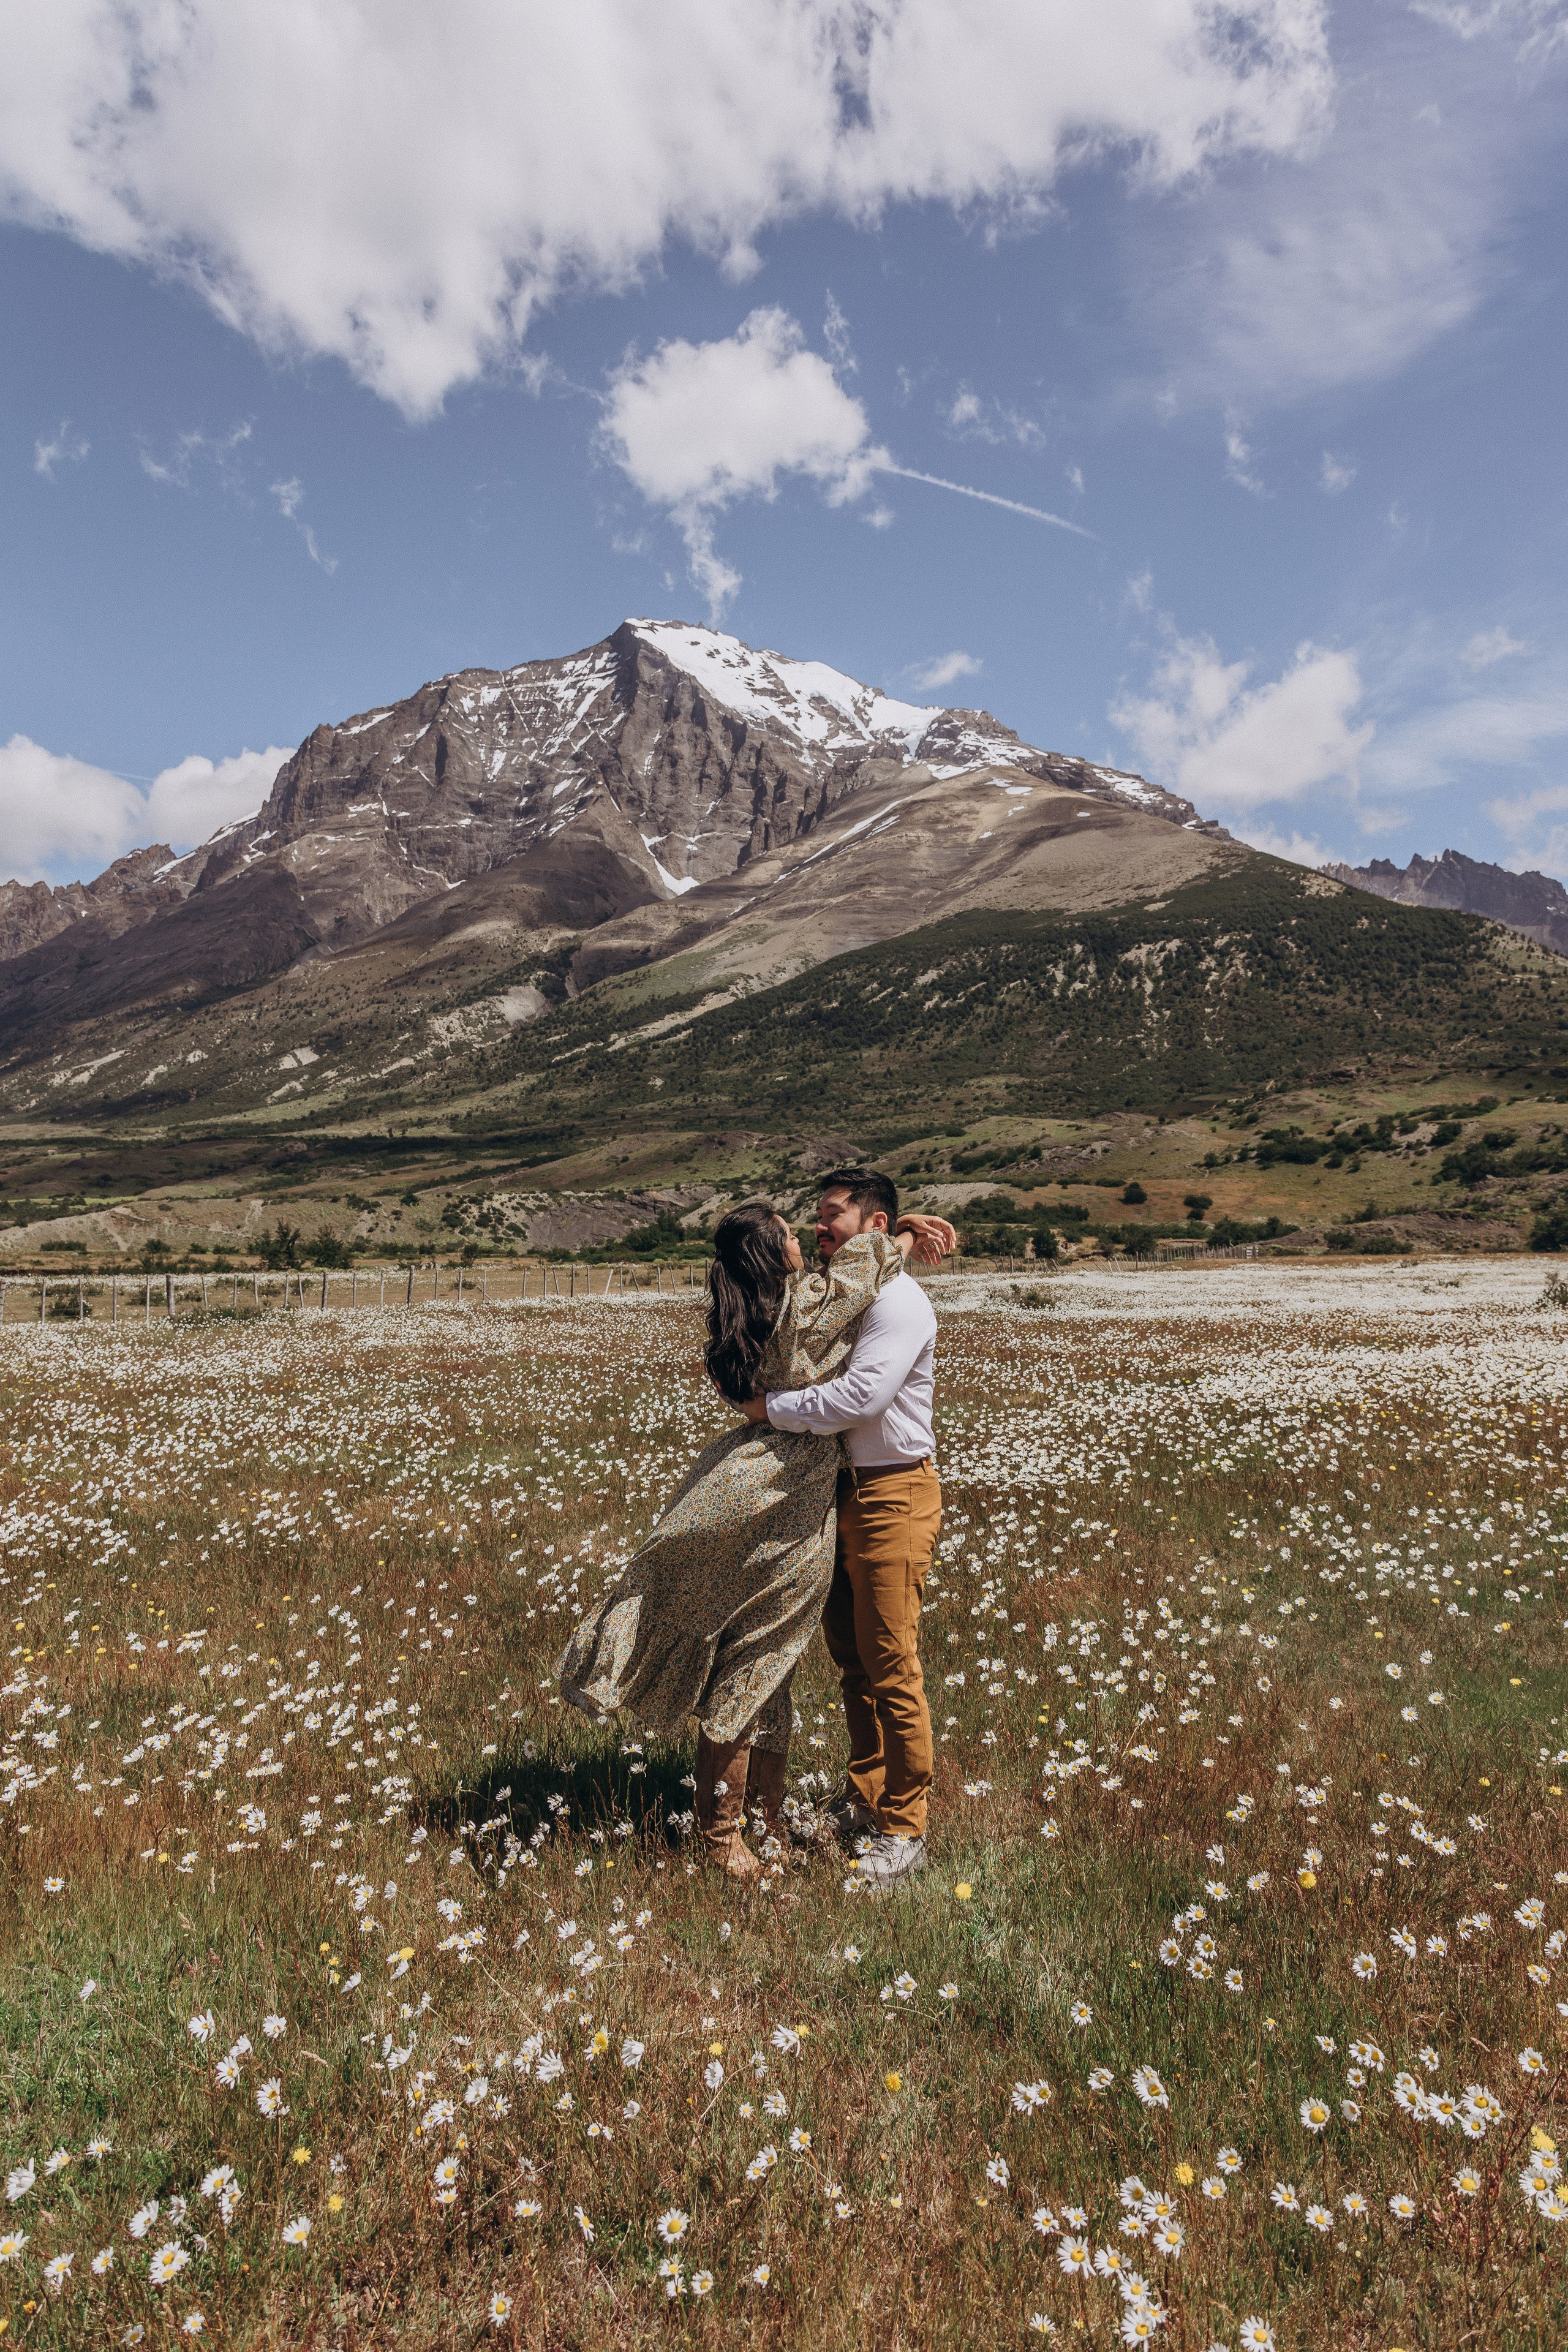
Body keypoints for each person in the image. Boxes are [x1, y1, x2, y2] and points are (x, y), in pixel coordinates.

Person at [556, 1197, 953, 1879]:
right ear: (776, 1257)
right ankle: (728, 1835)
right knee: (764, 1657)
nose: (809, 1236)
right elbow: (859, 1278)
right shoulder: (804, 1308)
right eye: (794, 1233)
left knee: (760, 1652)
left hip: (739, 1478)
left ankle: (755, 1820)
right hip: (789, 1494)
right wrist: (907, 1234)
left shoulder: (743, 1315)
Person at [738, 1169, 943, 1889]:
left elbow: (862, 1396)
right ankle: (864, 1796)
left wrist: (770, 1410)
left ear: (874, 1226)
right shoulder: (847, 1295)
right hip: (838, 1493)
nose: (818, 1226)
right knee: (852, 1660)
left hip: (893, 1491)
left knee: (890, 1662)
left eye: (831, 1216)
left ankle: (905, 1824)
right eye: (816, 1216)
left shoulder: (899, 1303)